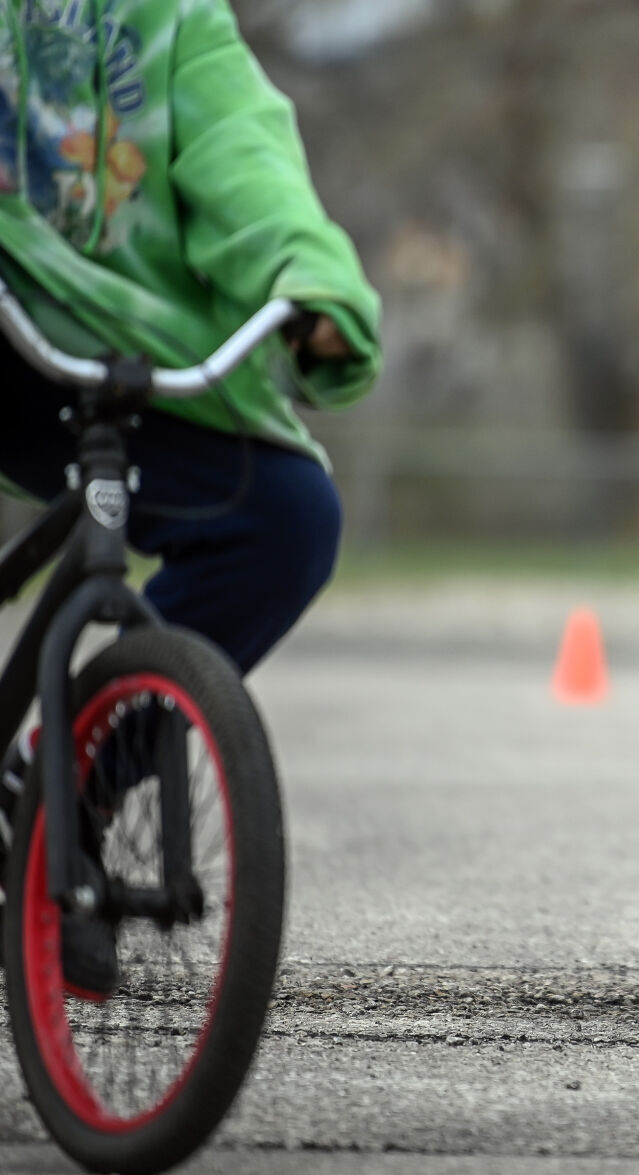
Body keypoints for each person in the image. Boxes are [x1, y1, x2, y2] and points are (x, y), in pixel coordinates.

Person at [0, 0, 382, 996]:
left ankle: (60, 789)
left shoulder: (170, 19)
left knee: (288, 519)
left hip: (126, 344)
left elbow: (241, 152)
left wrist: (310, 284)